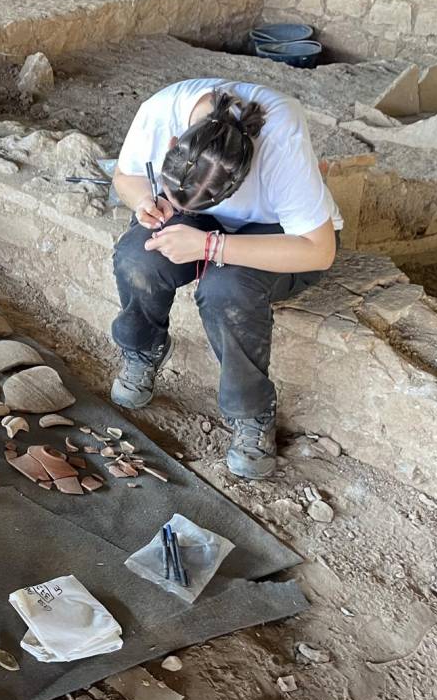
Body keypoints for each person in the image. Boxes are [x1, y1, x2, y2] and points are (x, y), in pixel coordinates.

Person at [109, 78, 339, 479]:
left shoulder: (280, 136)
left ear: (238, 181)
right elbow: (125, 177)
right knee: (137, 256)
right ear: (172, 145)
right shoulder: (163, 110)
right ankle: (141, 349)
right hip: (204, 223)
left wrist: (212, 248)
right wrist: (147, 202)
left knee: (225, 289)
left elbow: (319, 250)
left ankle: (251, 413)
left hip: (278, 234)